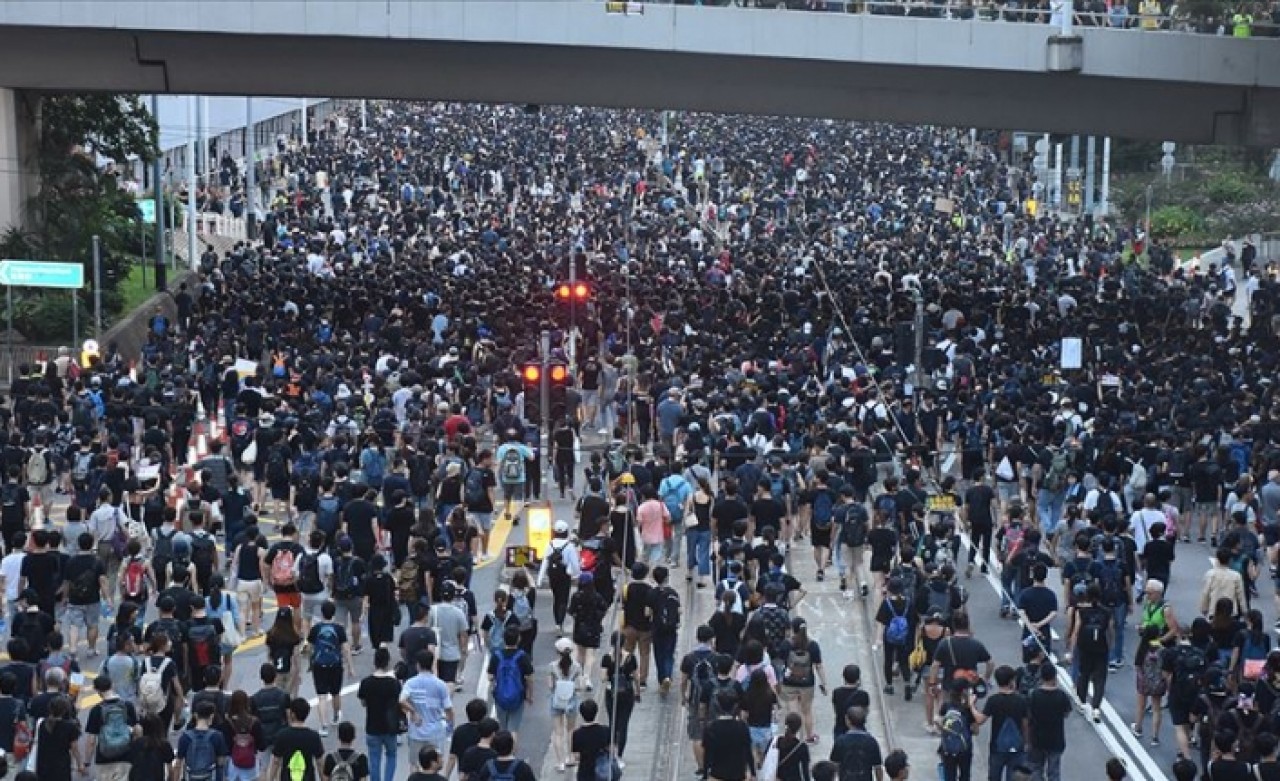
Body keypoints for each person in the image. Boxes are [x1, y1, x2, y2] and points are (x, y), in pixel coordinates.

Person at [1063, 583, 1112, 723]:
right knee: (1100, 678)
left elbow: (1077, 631)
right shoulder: (1106, 612)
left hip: (1085, 647)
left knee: (1084, 674)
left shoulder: (1082, 611)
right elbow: (1110, 630)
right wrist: (1110, 645)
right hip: (1101, 648)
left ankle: (1082, 702)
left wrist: (1072, 650)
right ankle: (1096, 707)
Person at [307, 599, 355, 736]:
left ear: (322, 613)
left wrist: (310, 662)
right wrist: (351, 667)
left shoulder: (315, 629)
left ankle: (323, 726)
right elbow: (346, 648)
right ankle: (335, 714)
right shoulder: (339, 629)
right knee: (335, 693)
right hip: (335, 665)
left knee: (321, 696)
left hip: (319, 665)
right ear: (334, 613)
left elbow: (309, 648)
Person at [973, 666, 1029, 781]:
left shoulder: (993, 700)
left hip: (997, 747)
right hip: (1016, 747)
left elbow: (980, 720)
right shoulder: (1021, 700)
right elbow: (1026, 725)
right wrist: (1026, 742)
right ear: (1011, 681)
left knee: (994, 776)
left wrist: (971, 705)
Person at [358, 647, 403, 781]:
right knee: (391, 755)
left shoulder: (366, 682)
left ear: (374, 662)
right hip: (390, 727)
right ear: (388, 662)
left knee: (374, 758)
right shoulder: (394, 684)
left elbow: (363, 703)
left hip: (372, 726)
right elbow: (398, 702)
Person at [400, 650, 454, 759]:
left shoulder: (411, 683)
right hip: (436, 732)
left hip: (416, 731)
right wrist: (449, 726)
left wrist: (413, 712)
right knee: (434, 763)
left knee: (415, 763)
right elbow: (449, 710)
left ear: (418, 665)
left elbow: (402, 700)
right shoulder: (440, 684)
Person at [85, 674, 138, 781]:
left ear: (97, 690)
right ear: (112, 685)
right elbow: (137, 730)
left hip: (104, 757)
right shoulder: (128, 706)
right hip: (126, 755)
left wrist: (87, 762)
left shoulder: (96, 710)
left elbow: (91, 740)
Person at [1026, 664, 1071, 781]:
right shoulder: (1061, 696)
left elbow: (1028, 715)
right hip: (1056, 739)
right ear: (1054, 677)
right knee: (1054, 772)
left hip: (1037, 738)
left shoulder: (1033, 695)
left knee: (1036, 768)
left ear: (1041, 677)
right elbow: (1066, 714)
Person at [488, 625, 534, 735]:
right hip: (518, 695)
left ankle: (503, 748)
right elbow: (530, 678)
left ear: (503, 639)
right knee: (514, 727)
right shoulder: (522, 656)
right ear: (519, 639)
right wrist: (529, 695)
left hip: (500, 695)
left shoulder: (497, 655)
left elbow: (490, 676)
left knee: (503, 726)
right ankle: (511, 750)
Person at [536, 519, 581, 634]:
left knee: (556, 598)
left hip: (552, 575)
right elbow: (575, 564)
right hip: (564, 575)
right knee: (563, 599)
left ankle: (557, 622)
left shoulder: (550, 544)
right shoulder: (569, 546)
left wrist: (539, 579)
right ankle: (560, 623)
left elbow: (545, 562)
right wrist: (576, 574)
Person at [704, 689, 756, 781]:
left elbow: (708, 754)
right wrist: (753, 773)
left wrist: (705, 774)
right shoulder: (742, 727)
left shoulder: (710, 728)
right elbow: (748, 752)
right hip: (738, 773)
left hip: (717, 774)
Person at [267, 698, 325, 781]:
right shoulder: (314, 736)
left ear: (292, 714)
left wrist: (270, 778)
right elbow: (320, 762)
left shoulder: (282, 735)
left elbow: (276, 761)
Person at [548, 637, 583, 772]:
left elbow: (550, 686)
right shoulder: (577, 666)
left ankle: (560, 762)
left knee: (558, 732)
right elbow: (579, 686)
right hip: (572, 701)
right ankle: (571, 757)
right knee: (571, 730)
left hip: (556, 701)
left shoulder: (552, 666)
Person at [174, 699, 229, 781]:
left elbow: (178, 763)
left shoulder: (185, 737)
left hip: (191, 776)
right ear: (211, 716)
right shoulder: (217, 736)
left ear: (196, 715)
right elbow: (221, 761)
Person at [829, 707, 883, 781]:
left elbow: (834, 765)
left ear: (847, 720)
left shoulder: (841, 741)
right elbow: (878, 767)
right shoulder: (871, 741)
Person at [570, 699, 612, 781]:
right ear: (596, 712)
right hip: (602, 770)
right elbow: (611, 749)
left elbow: (576, 756)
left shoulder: (577, 734)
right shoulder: (605, 730)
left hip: (584, 772)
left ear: (581, 714)